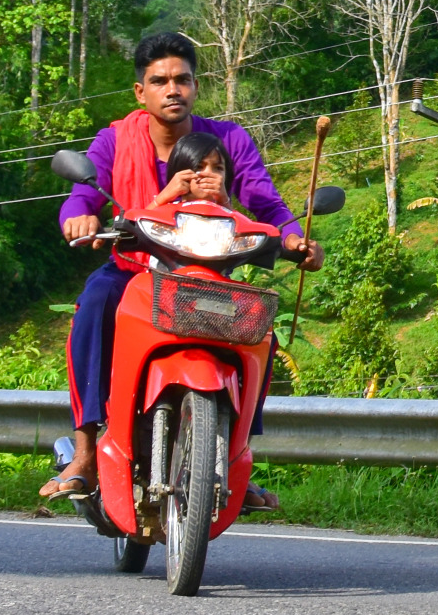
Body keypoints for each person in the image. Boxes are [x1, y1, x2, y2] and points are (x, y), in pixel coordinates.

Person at [42, 33, 320, 512]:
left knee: (259, 331)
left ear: (195, 86)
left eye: (182, 79)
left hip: (209, 275)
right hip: (134, 271)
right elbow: (83, 196)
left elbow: (268, 204)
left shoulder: (228, 141)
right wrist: (79, 217)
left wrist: (295, 238)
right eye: (160, 81)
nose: (173, 89)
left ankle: (234, 457)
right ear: (140, 92)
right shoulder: (115, 140)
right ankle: (85, 452)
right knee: (94, 303)